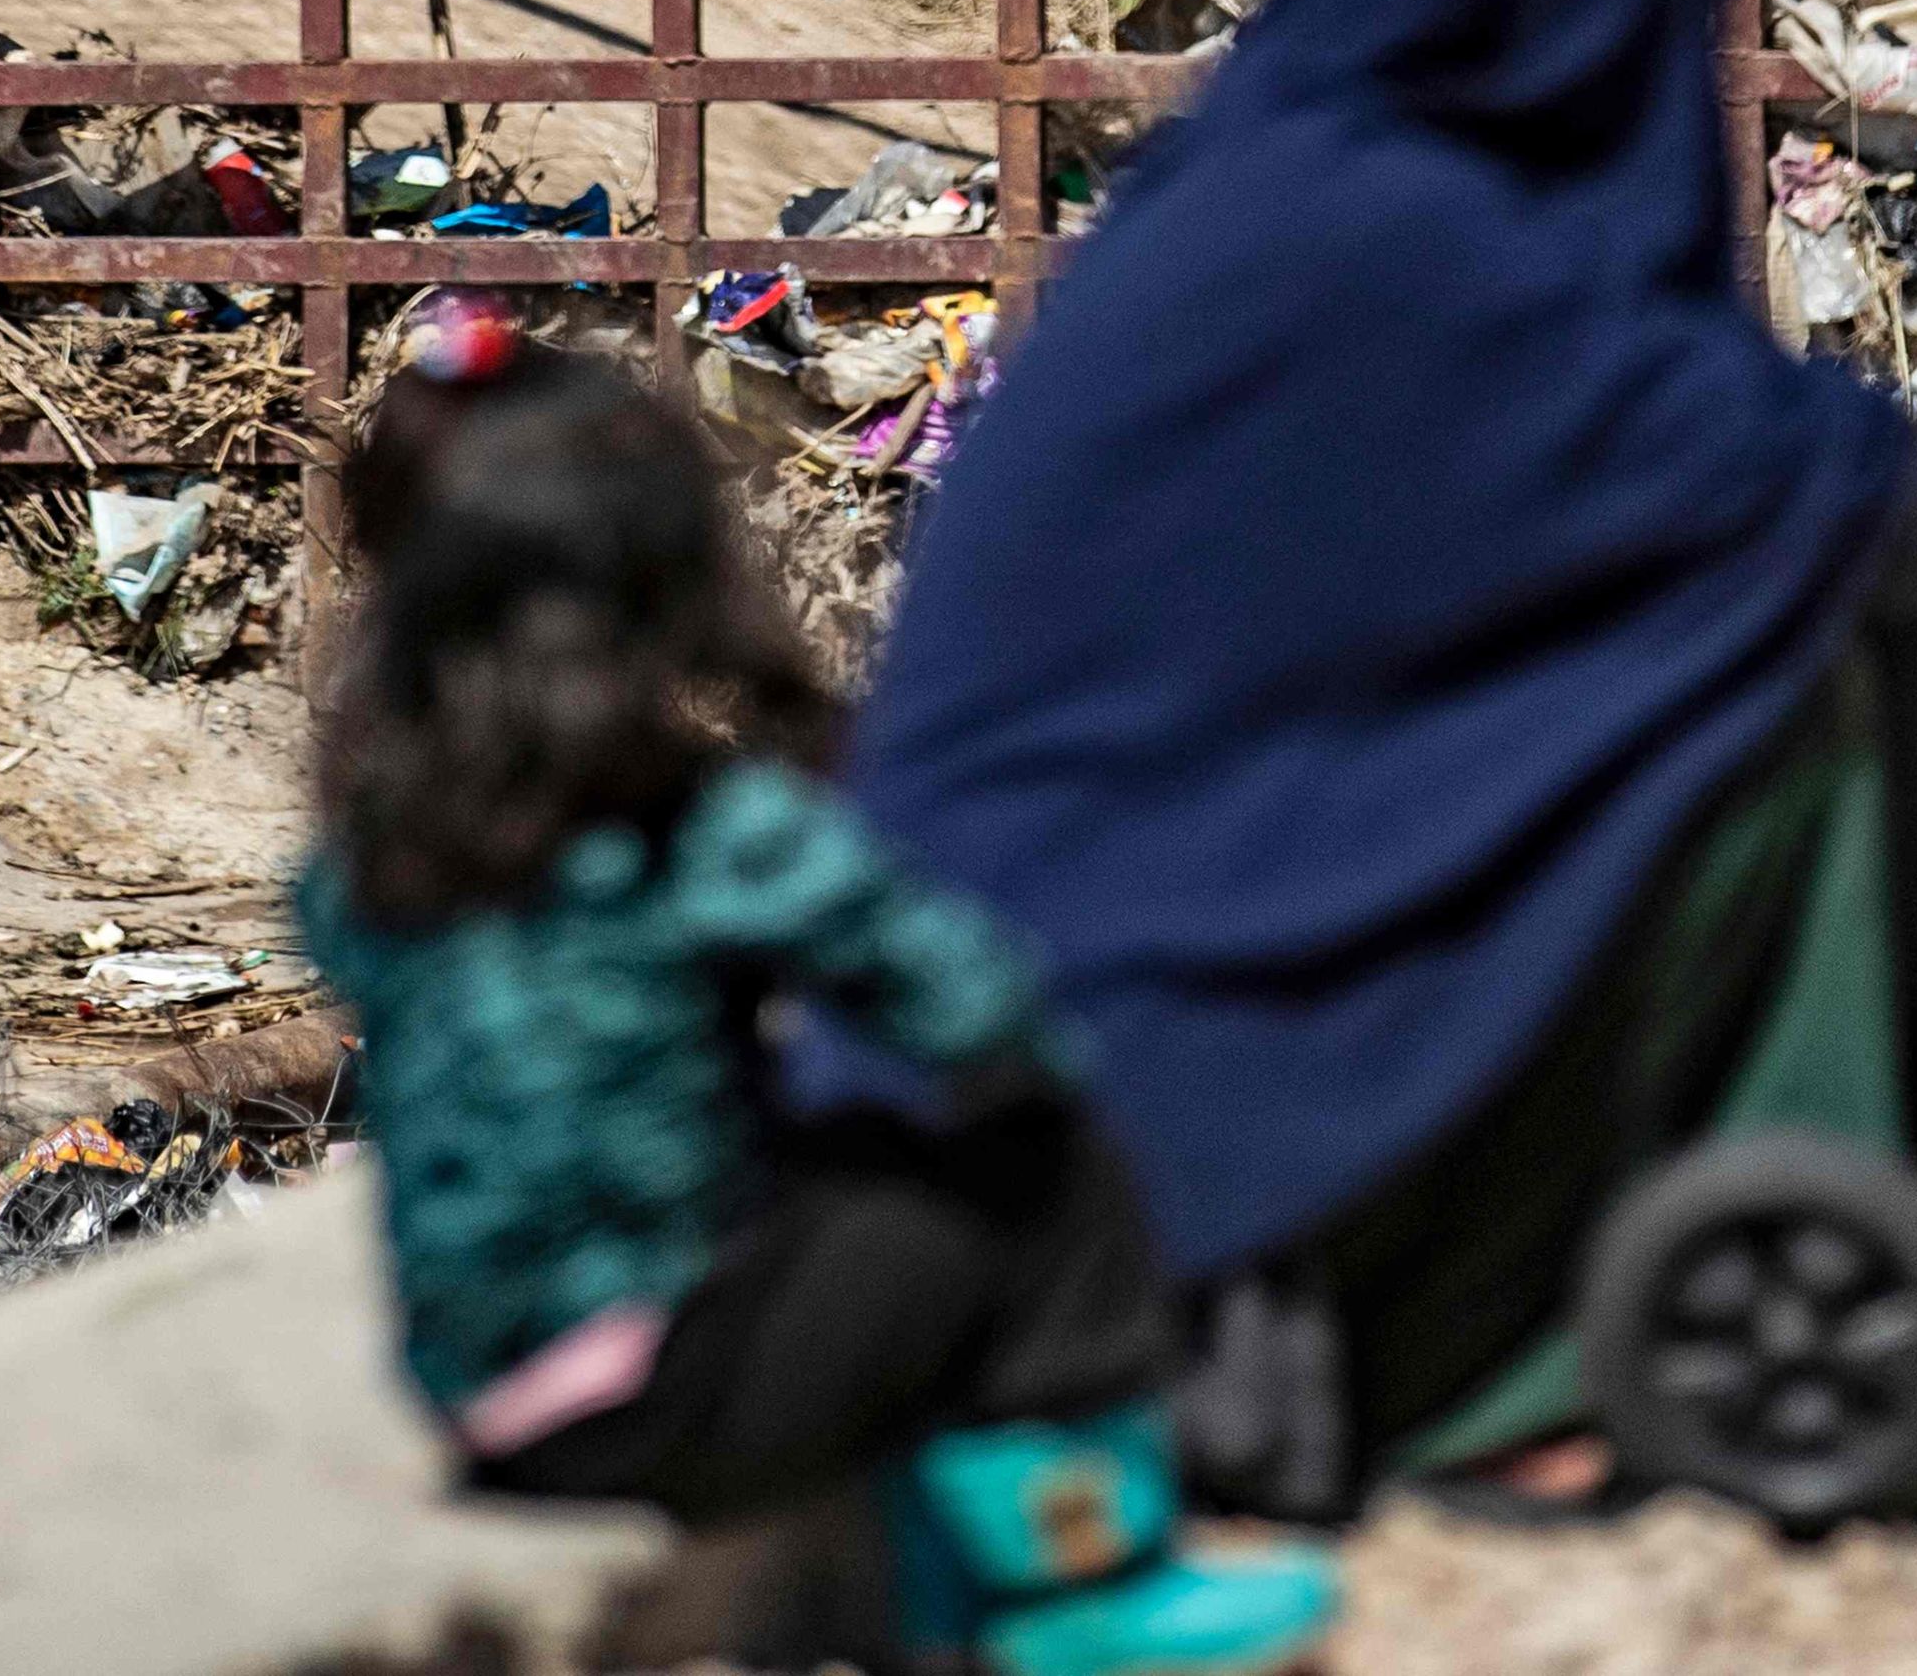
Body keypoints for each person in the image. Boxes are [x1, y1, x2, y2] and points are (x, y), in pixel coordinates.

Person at [842, 0, 1917, 1517]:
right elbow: (1818, 494)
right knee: (1832, 678)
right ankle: (1595, 1323)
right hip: (1115, 1118)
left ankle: (1776, 1252)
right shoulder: (1402, 235)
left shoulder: (1272, 181)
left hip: (1020, 1064)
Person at [299, 305, 1337, 1676]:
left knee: (820, 1178)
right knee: (1038, 1170)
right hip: (657, 1393)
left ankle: (928, 1571)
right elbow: (974, 1004)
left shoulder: (375, 838)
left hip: (479, 1391)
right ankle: (1085, 1574)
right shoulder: (688, 825)